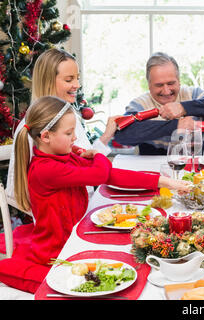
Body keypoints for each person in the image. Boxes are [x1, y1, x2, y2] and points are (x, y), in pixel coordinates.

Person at [0, 96, 191, 293]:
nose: (75, 137)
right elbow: (101, 173)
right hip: (59, 252)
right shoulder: (46, 169)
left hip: (77, 238)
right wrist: (99, 154)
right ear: (46, 136)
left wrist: (165, 182)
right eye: (68, 133)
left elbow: (111, 175)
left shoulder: (63, 157)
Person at [6, 48, 120, 209]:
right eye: (69, 80)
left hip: (86, 206)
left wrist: (106, 136)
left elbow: (86, 161)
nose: (77, 85)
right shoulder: (33, 127)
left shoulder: (68, 114)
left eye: (77, 78)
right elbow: (16, 191)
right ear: (48, 81)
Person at [113, 52, 204, 155]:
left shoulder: (193, 94)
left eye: (171, 83)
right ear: (149, 85)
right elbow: (122, 135)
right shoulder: (140, 104)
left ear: (179, 81)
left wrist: (184, 107)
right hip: (154, 170)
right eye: (159, 85)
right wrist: (176, 125)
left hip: (198, 165)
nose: (166, 91)